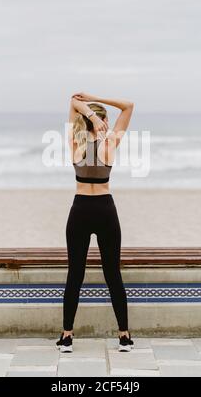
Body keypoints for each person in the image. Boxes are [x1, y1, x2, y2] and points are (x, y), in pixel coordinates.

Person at [56, 92, 134, 352]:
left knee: (75, 274)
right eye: (106, 120)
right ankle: (124, 336)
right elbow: (128, 105)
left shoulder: (75, 141)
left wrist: (87, 109)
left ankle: (67, 336)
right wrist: (93, 99)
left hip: (80, 210)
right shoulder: (110, 142)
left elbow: (72, 102)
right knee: (113, 274)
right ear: (101, 122)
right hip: (105, 210)